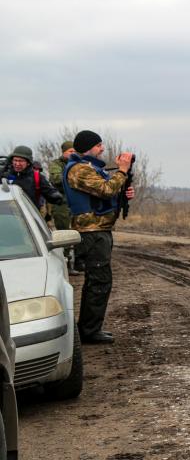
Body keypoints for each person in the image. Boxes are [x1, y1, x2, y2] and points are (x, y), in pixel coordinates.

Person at [62, 130, 135, 345]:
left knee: (98, 280)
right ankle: (89, 331)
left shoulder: (89, 168)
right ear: (88, 147)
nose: (102, 148)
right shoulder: (79, 170)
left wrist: (124, 190)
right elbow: (105, 189)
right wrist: (122, 171)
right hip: (91, 233)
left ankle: (89, 328)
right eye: (99, 145)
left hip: (98, 230)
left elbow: (108, 191)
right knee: (99, 280)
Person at [48, 141, 80, 273]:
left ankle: (79, 261)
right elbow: (56, 179)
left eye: (74, 151)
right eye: (70, 151)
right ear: (63, 152)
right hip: (61, 203)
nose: (72, 154)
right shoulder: (56, 164)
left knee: (79, 231)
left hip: (77, 202)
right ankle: (65, 263)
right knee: (64, 233)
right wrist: (72, 176)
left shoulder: (79, 164)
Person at [0, 145, 64, 210]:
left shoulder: (37, 177)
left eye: (21, 161)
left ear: (28, 162)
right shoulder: (4, 175)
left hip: (29, 214)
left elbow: (48, 190)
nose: (17, 163)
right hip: (6, 213)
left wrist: (55, 195)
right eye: (15, 160)